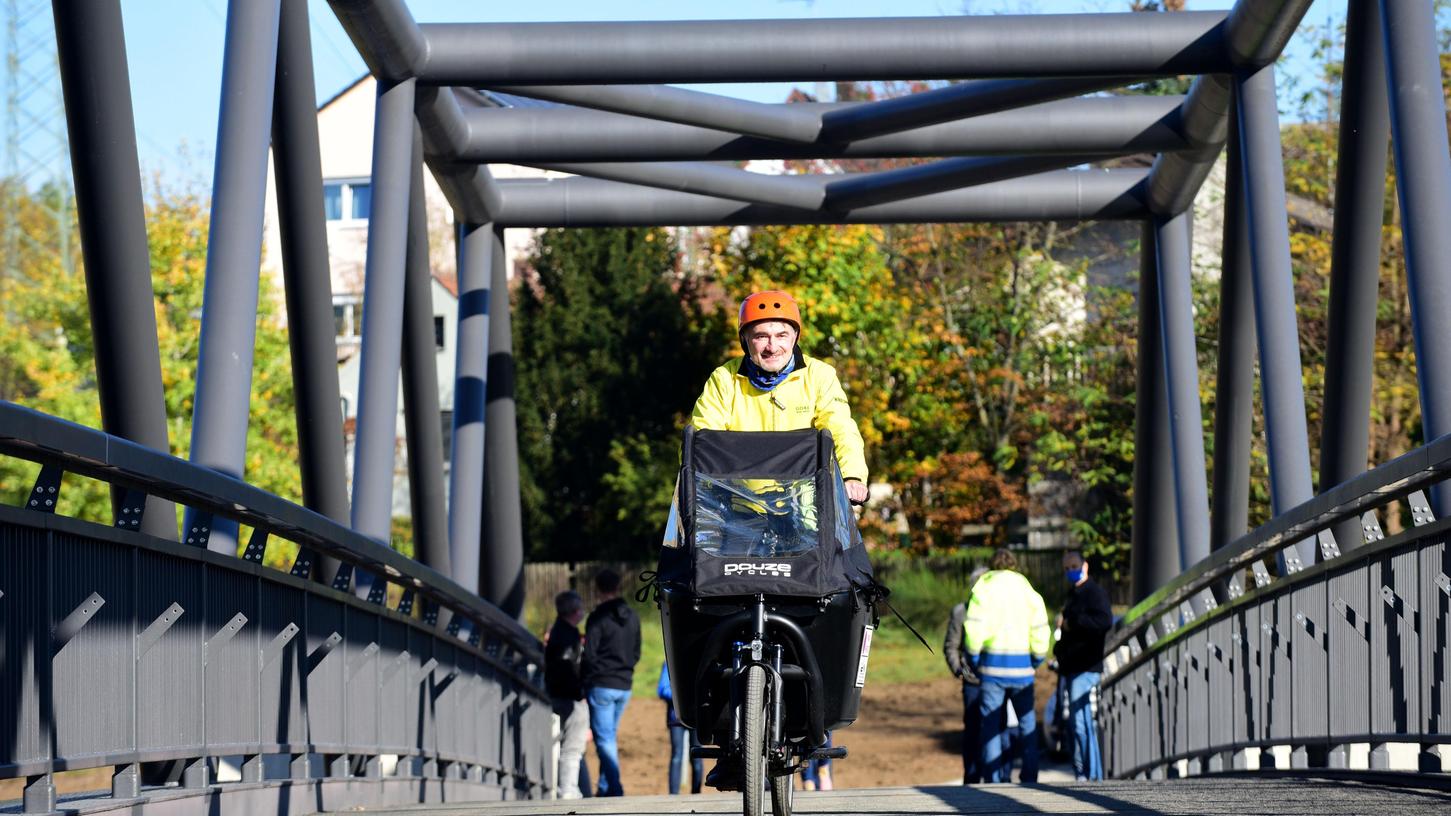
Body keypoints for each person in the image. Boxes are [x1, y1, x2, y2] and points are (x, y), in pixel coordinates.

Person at [691, 290, 869, 504]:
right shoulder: (725, 380)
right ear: (744, 339)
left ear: (795, 337)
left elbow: (841, 429)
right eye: (760, 336)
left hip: (806, 512)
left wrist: (852, 476)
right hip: (741, 510)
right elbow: (701, 438)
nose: (772, 347)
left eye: (781, 335)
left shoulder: (819, 375)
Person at [964, 548, 1051, 784]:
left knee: (990, 726)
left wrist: (974, 659)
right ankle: (1029, 776)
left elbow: (973, 629)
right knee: (1027, 724)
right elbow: (1041, 630)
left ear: (993, 565)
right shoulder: (1027, 590)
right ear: (1014, 565)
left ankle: (993, 781)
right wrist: (1036, 659)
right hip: (1023, 668)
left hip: (992, 668)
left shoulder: (984, 587)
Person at [580, 568, 641, 797]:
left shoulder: (597, 617)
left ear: (598, 589)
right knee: (609, 737)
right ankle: (605, 787)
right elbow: (636, 652)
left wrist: (587, 680)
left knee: (604, 739)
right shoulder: (633, 616)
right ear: (617, 587)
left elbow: (590, 654)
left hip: (601, 685)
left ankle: (614, 788)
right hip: (624, 684)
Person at [1053, 550, 1113, 780]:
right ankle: (1082, 773)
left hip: (1086, 665)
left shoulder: (1093, 593)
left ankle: (1091, 775)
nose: (1070, 571)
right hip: (1071, 666)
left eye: (1074, 566)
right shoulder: (1073, 594)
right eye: (1066, 568)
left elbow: (1104, 621)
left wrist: (1072, 623)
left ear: (1085, 566)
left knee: (1081, 722)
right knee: (1075, 723)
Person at [943, 566, 989, 784]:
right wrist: (959, 670)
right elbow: (951, 645)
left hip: (997, 679)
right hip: (972, 682)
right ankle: (971, 780)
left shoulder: (999, 612)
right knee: (972, 731)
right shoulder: (961, 612)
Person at [545, 590, 590, 799]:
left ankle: (565, 787)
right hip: (571, 698)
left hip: (555, 695)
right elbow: (568, 665)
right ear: (574, 611)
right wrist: (579, 692)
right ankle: (569, 788)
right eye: (580, 608)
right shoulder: (570, 635)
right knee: (573, 746)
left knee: (560, 744)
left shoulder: (556, 631)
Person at [657, 665, 702, 795]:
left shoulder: (700, 662)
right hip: (676, 718)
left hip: (696, 719)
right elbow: (662, 689)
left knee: (697, 756)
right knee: (676, 755)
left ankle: (696, 792)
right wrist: (681, 696)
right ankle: (673, 794)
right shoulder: (669, 664)